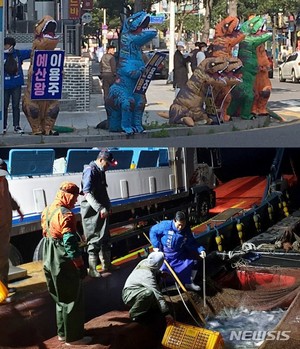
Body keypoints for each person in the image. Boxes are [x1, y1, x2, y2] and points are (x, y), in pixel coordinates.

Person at [41, 181, 91, 345]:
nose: (76, 201)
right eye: (75, 197)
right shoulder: (66, 214)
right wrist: (80, 265)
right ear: (67, 195)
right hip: (61, 258)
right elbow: (69, 243)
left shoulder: (47, 210)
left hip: (48, 256)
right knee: (72, 298)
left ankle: (63, 333)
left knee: (60, 299)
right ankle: (74, 338)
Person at [80, 150, 119, 277]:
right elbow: (87, 193)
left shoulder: (101, 171)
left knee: (105, 238)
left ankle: (107, 265)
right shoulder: (90, 170)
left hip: (102, 209)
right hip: (92, 211)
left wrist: (108, 206)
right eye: (107, 164)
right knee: (95, 239)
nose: (108, 168)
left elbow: (103, 190)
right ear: (101, 160)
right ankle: (92, 269)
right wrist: (100, 208)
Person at [149, 211, 206, 291]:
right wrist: (156, 246)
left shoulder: (186, 229)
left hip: (179, 254)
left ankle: (189, 282)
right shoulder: (165, 225)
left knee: (194, 261)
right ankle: (161, 288)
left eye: (183, 225)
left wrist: (201, 250)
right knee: (160, 271)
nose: (180, 227)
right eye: (179, 225)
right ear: (174, 220)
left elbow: (191, 241)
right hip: (165, 254)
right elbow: (153, 231)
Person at [122, 251, 174, 324]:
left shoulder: (145, 262)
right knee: (149, 293)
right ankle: (134, 314)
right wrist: (166, 313)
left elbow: (154, 267)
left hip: (137, 289)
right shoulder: (148, 276)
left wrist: (160, 273)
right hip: (129, 294)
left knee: (155, 282)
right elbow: (158, 295)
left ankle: (151, 306)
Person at [0, 159, 24, 304]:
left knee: (4, 260)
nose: (2, 177)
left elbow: (8, 197)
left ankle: (5, 288)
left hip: (4, 227)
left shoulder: (4, 182)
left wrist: (18, 209)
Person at [3, 37, 31, 134]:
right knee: (4, 105)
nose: (4, 46)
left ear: (11, 45)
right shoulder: (1, 55)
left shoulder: (18, 54)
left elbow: (32, 52)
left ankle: (17, 126)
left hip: (16, 84)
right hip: (4, 85)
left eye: (6, 45)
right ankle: (3, 125)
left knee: (16, 105)